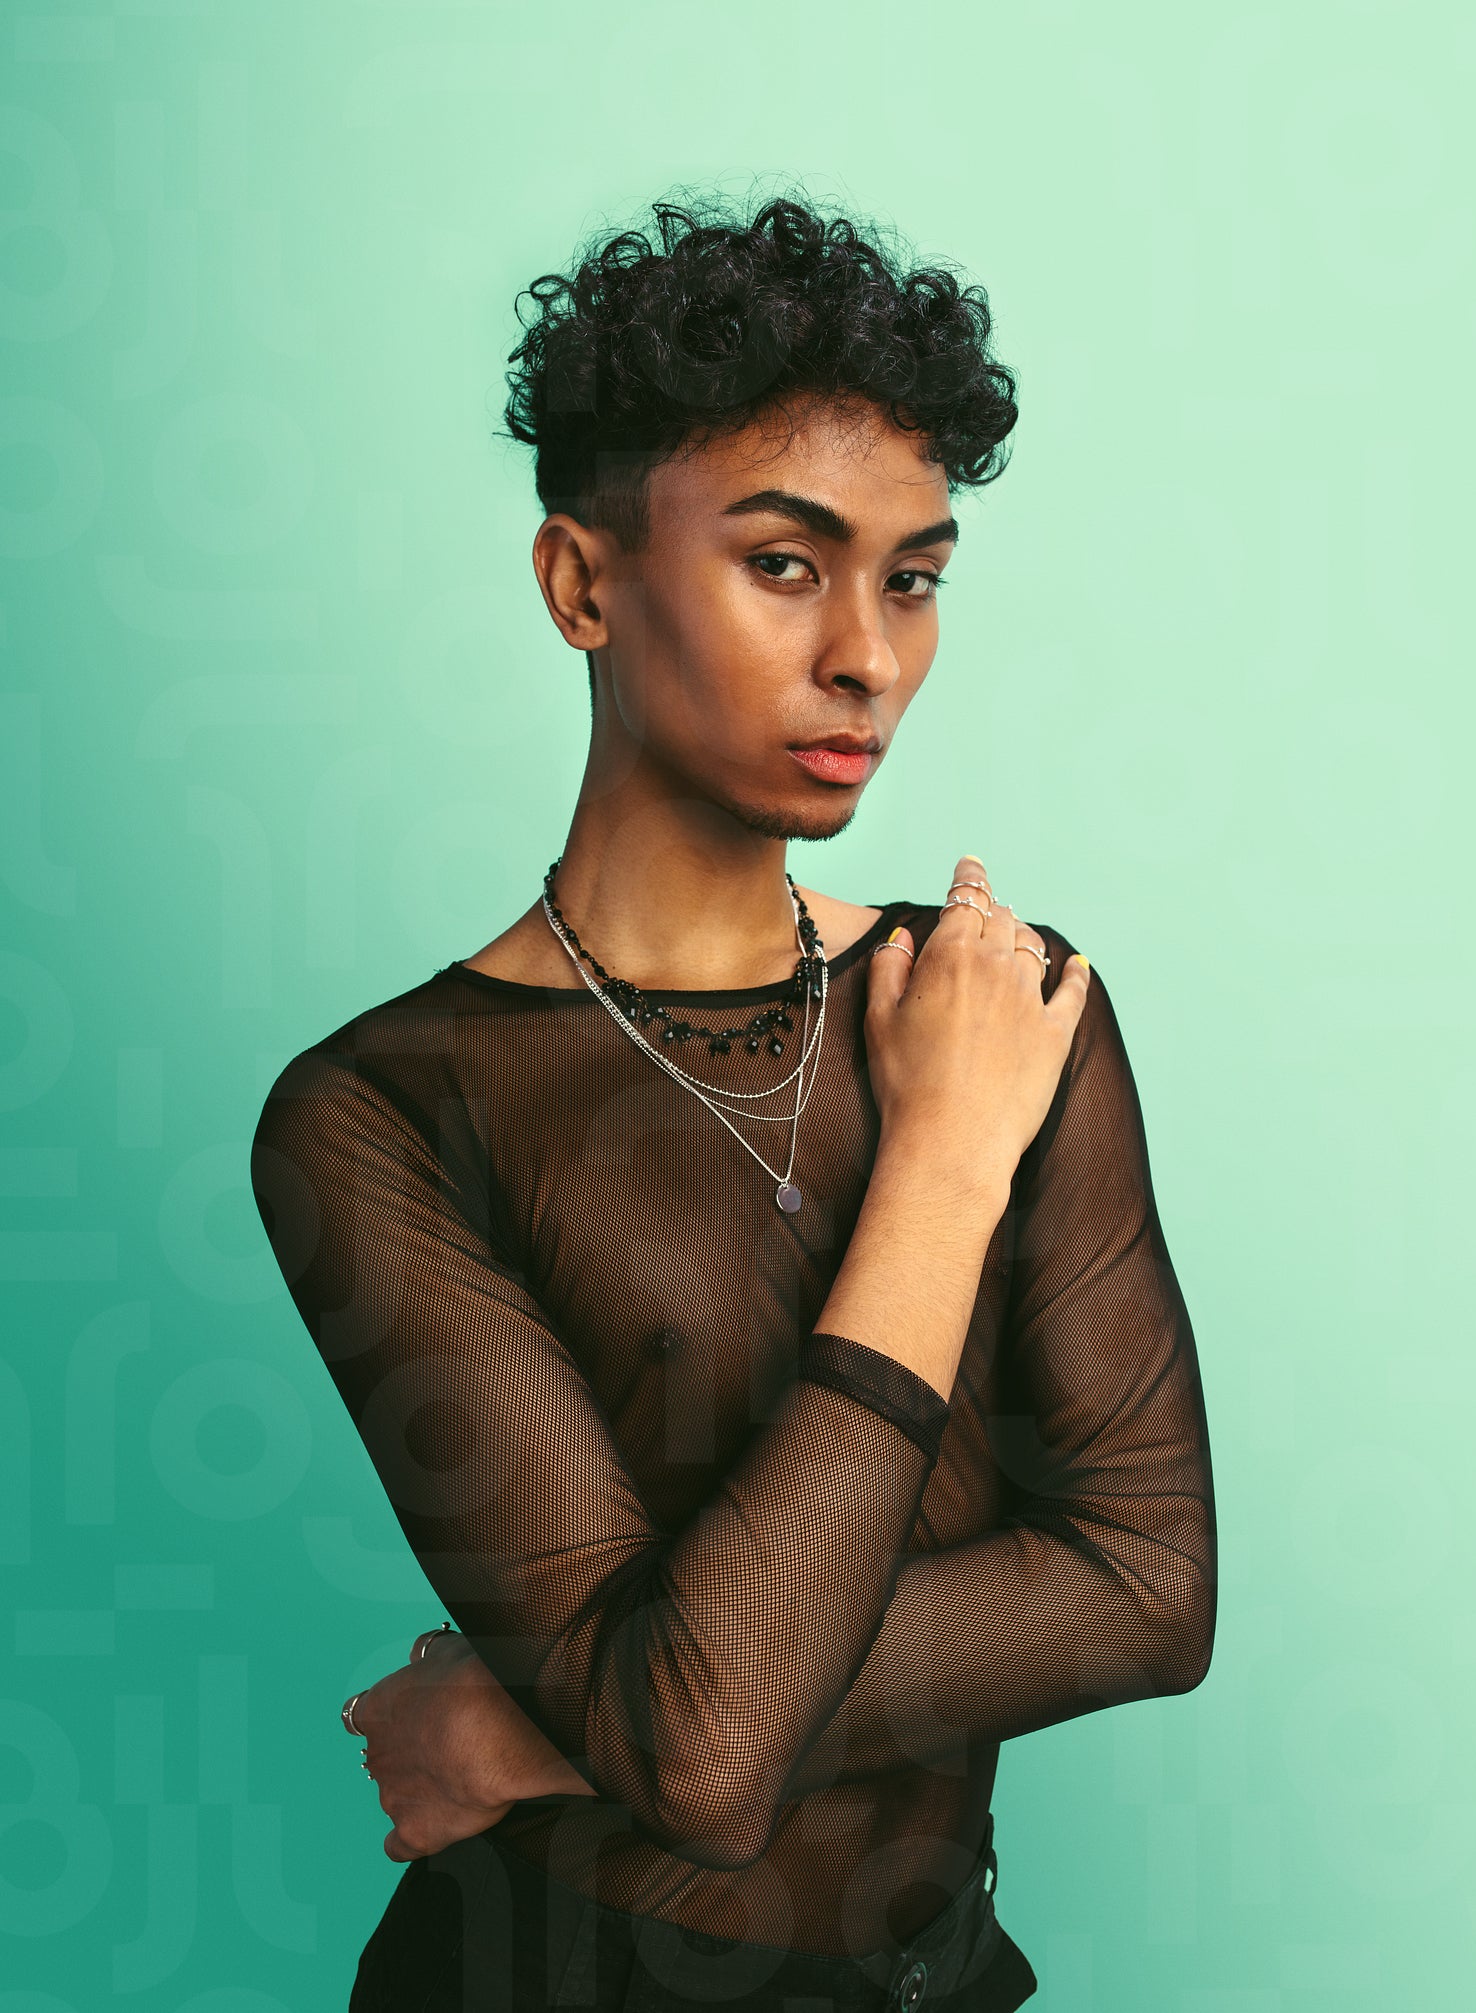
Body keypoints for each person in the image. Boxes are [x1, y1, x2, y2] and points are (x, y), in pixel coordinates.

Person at [250, 190, 1217, 2012]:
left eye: (912, 577)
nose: (869, 653)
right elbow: (699, 1757)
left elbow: (1148, 1584)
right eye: (785, 563)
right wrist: (943, 1166)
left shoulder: (1001, 1005)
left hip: (940, 1977)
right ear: (582, 585)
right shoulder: (379, 1113)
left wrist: (546, 1726)